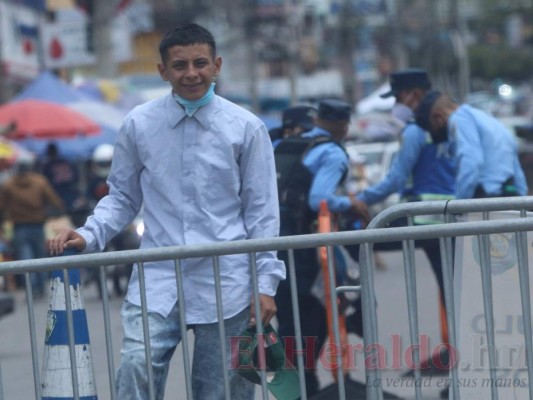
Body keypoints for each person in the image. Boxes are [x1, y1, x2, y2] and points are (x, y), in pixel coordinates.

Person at [48, 23, 285, 400]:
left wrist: (264, 285)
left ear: (216, 65)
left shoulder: (246, 128)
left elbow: (262, 213)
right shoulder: (139, 124)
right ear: (163, 71)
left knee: (221, 391)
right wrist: (89, 233)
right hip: (158, 278)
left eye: (200, 63)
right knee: (135, 367)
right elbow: (122, 196)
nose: (191, 73)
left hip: (229, 283)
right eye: (179, 65)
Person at [274, 98, 369, 396]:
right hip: (309, 249)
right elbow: (320, 199)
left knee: (291, 323)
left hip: (274, 246)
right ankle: (312, 386)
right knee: (323, 314)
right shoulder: (331, 153)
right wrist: (350, 203)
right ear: (344, 125)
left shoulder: (288, 146)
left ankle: (299, 387)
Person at [353, 69, 456, 300]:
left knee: (355, 239)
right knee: (455, 286)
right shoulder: (448, 123)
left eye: (398, 98)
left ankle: (355, 302)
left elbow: (396, 179)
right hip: (454, 216)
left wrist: (361, 199)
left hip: (424, 219)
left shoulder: (415, 130)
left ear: (414, 94)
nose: (397, 104)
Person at [415, 90, 528, 199]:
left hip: (486, 200)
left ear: (438, 117)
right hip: (510, 196)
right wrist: (521, 203)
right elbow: (518, 174)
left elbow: (471, 162)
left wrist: (459, 204)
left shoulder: (459, 119)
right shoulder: (488, 120)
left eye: (432, 128)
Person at [0, 156, 65, 297]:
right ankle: (41, 287)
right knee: (40, 258)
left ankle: (32, 288)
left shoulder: (9, 185)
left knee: (25, 260)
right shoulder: (39, 182)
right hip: (37, 225)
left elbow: (2, 206)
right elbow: (54, 200)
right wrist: (56, 211)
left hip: (19, 227)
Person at [40, 142, 82, 223]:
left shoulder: (48, 165)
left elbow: (45, 183)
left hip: (57, 193)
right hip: (71, 192)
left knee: (61, 219)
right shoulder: (67, 162)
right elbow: (76, 177)